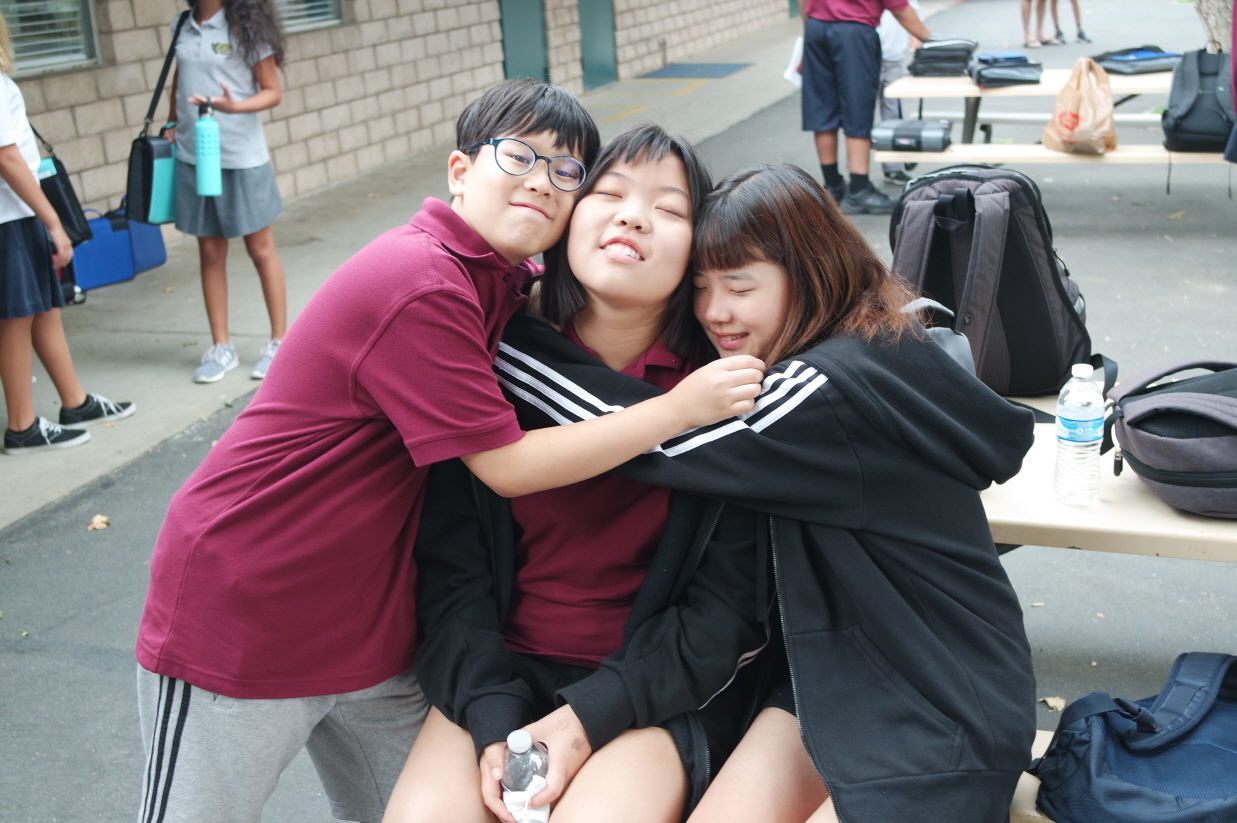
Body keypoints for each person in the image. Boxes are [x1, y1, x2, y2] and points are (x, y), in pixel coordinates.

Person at [134, 80, 764, 823]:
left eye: (565, 171)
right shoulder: (431, 290)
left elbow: (724, 608)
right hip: (247, 605)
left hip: (372, 627)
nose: (543, 181)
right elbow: (505, 469)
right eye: (519, 157)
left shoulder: (505, 289)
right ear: (459, 171)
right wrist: (676, 412)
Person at [492, 163, 1039, 823]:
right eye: (700, 287)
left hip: (940, 702)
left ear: (808, 272)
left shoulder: (829, 386)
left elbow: (653, 437)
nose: (713, 311)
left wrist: (494, 337)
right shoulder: (852, 351)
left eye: (739, 286)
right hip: (824, 680)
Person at [381, 125, 766, 823]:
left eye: (669, 209)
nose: (632, 216)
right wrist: (493, 714)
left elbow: (725, 613)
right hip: (499, 674)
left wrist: (585, 719)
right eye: (608, 194)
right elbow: (450, 569)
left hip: (650, 691)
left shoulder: (720, 392)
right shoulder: (492, 362)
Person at [0, 11, 134, 455]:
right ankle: (22, 427)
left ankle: (74, 402)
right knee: (17, 317)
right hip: (8, 216)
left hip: (16, 213)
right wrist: (53, 220)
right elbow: (7, 158)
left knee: (44, 309)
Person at [167, 0, 289, 382]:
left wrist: (234, 107)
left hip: (240, 155)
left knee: (260, 249)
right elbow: (179, 80)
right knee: (209, 251)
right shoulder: (182, 24)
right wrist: (171, 122)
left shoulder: (246, 26)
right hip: (193, 154)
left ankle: (280, 344)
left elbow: (272, 91)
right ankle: (221, 348)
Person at [801, 0, 930, 215]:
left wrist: (809, 30)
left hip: (816, 27)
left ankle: (832, 186)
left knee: (822, 107)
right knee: (857, 107)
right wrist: (930, 39)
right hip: (854, 31)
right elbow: (899, 8)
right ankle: (859, 189)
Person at [876, 0, 923, 185]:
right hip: (865, 56)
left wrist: (917, 42)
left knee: (892, 114)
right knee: (859, 118)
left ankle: (893, 169)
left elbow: (912, 16)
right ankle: (856, 175)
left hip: (894, 59)